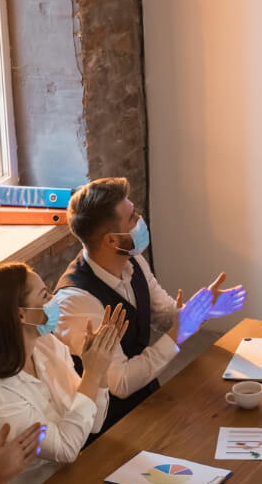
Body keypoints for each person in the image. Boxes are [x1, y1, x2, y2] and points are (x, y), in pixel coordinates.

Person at [53, 176, 245, 436]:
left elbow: (165, 316)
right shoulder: (77, 303)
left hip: (149, 399)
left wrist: (200, 310)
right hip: (107, 430)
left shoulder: (132, 261)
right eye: (132, 218)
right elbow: (120, 382)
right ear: (111, 240)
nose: (140, 220)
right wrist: (180, 331)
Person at [0, 261, 127, 484]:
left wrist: (98, 372)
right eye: (45, 295)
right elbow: (66, 448)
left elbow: (93, 424)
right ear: (20, 314)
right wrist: (91, 373)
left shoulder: (48, 345)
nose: (53, 300)